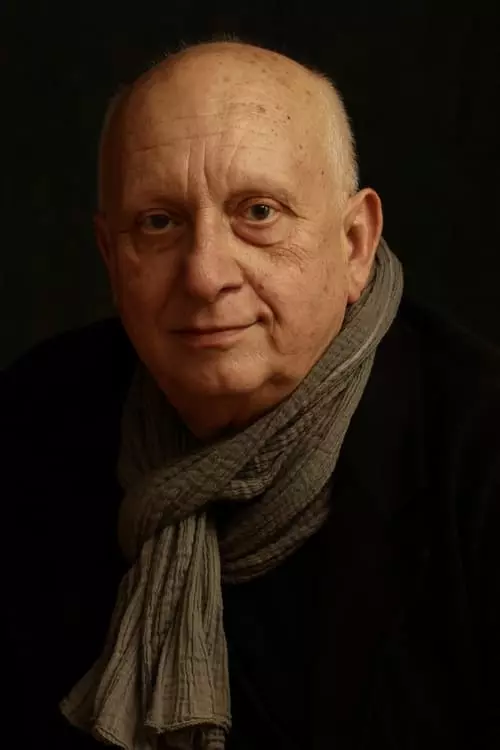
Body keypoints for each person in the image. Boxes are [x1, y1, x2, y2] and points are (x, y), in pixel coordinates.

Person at [3, 39, 500, 750]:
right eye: (159, 222)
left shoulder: (478, 454)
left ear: (355, 243)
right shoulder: (29, 422)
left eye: (258, 212)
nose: (206, 275)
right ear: (112, 258)